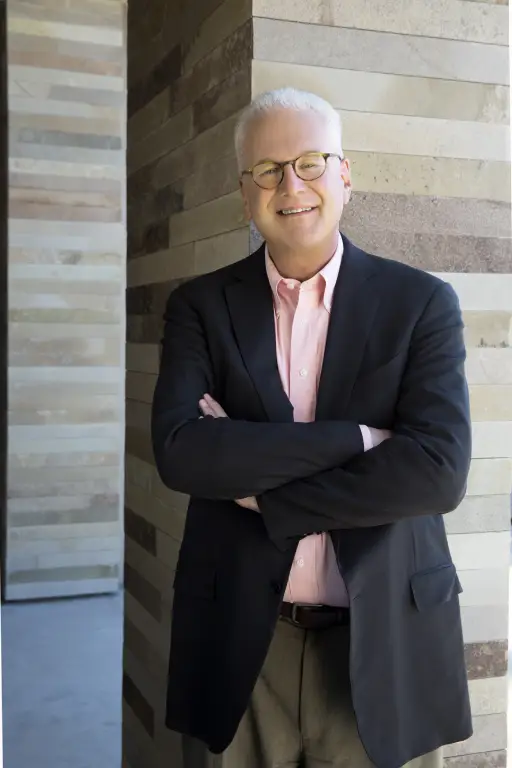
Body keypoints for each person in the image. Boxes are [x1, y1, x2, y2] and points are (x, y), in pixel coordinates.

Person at [151, 88, 472, 768]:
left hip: (385, 639)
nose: (290, 186)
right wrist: (360, 440)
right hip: (241, 642)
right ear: (244, 191)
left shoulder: (420, 303)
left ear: (344, 174)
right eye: (267, 170)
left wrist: (269, 495)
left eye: (310, 163)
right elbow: (182, 453)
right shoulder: (200, 307)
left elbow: (437, 473)